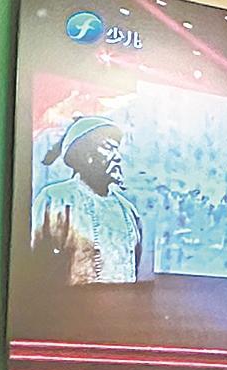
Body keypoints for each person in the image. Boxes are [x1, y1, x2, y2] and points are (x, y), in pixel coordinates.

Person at [31, 113, 143, 283]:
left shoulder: (128, 210)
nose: (117, 157)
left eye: (117, 149)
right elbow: (34, 264)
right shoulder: (55, 200)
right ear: (84, 155)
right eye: (108, 148)